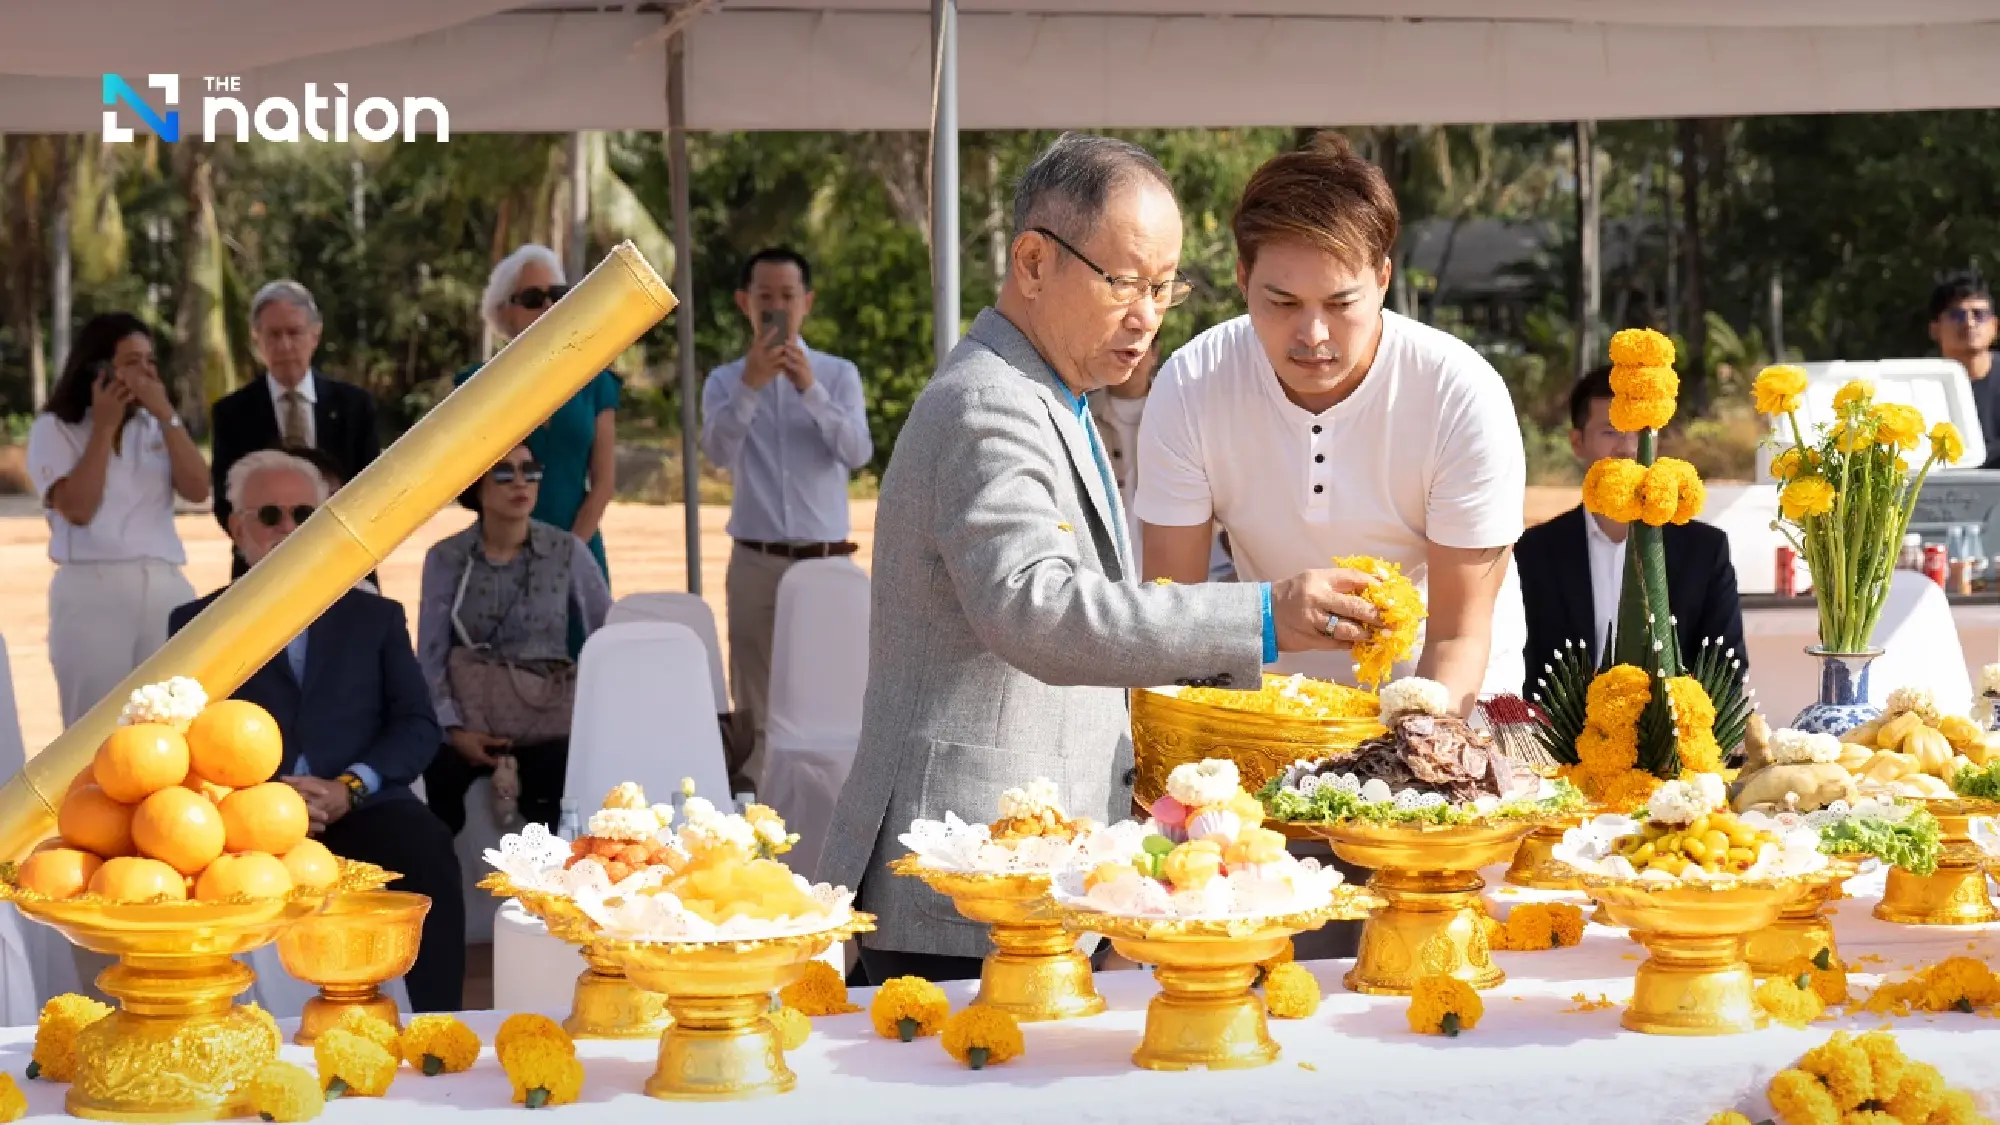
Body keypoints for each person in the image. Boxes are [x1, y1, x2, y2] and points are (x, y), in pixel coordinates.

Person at [819, 132, 1388, 984]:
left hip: (1025, 876)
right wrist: (1265, 613)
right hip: (966, 884)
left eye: (1164, 286)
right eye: (1123, 281)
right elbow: (1038, 609)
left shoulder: (1056, 395)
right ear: (1034, 261)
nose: (1148, 314)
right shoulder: (990, 406)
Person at [1135, 133, 1527, 716]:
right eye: (1283, 302)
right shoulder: (1193, 384)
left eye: (1342, 304)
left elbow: (1457, 636)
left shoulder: (1459, 393)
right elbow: (1175, 616)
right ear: (1243, 279)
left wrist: (1413, 758)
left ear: (1384, 279)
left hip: (1449, 699)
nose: (1313, 336)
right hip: (1275, 706)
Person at [169, 449, 464, 1012]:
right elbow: (181, 736)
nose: (289, 529)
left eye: (306, 515)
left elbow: (418, 726)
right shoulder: (196, 626)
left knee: (428, 847)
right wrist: (266, 797)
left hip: (363, 805)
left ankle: (437, 1029)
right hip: (247, 823)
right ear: (237, 528)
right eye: (270, 515)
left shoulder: (375, 618)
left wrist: (349, 787)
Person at [700, 248, 873, 793]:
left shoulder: (838, 375)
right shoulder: (725, 381)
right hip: (755, 558)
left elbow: (858, 452)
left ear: (808, 303)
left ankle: (835, 803)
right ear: (744, 303)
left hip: (825, 561)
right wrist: (751, 387)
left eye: (787, 297)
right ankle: (755, 807)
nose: (776, 308)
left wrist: (810, 391)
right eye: (765, 297)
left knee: (835, 687)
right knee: (753, 692)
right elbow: (718, 454)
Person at [418, 443, 611, 836]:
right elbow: (431, 654)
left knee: (565, 791)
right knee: (436, 793)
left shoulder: (566, 550)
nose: (520, 482)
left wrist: (597, 717)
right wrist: (454, 731)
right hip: (470, 720)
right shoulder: (448, 557)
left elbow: (606, 635)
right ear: (477, 487)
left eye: (530, 471)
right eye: (504, 473)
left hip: (550, 717)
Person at [28, 312, 210, 727]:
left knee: (174, 720)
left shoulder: (157, 427)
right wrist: (104, 426)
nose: (147, 371)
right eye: (132, 361)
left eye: (151, 362)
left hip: (165, 583)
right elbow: (77, 508)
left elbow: (199, 489)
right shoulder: (55, 428)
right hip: (92, 588)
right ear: (98, 368)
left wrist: (168, 418)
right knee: (93, 729)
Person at [1515, 366, 1747, 679]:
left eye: (1640, 432)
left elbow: (1728, 668)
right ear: (1577, 442)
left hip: (1675, 724)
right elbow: (1523, 663)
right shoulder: (1537, 551)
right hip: (1568, 726)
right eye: (1610, 432)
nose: (1627, 449)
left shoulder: (1704, 550)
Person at [460, 244, 621, 581]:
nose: (548, 305)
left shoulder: (595, 382)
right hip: (500, 558)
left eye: (557, 295)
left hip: (580, 555)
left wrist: (567, 556)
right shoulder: (476, 386)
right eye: (533, 298)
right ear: (504, 311)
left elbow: (604, 483)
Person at [210, 280, 382, 578]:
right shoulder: (232, 413)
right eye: (273, 335)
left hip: (343, 565)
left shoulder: (354, 406)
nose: (284, 345)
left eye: (294, 333)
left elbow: (371, 491)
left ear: (315, 335)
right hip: (260, 572)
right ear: (256, 338)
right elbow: (226, 503)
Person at [1929, 271, 2000, 469]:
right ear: (1935, 329)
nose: (1969, 323)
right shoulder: (1921, 386)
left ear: (1995, 326)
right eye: (1956, 315)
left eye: (1979, 314)